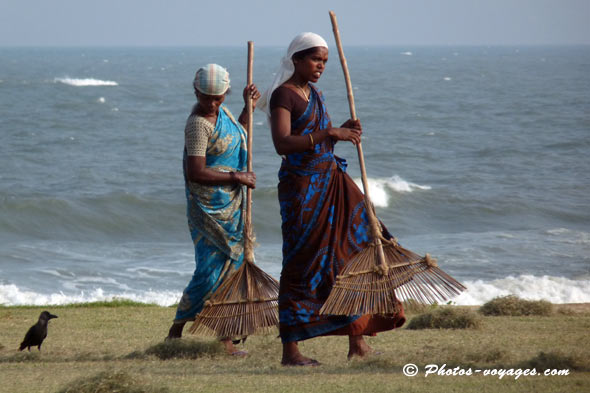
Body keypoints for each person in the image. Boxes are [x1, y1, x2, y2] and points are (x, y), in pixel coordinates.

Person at [259, 33, 406, 366]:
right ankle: (291, 351)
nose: (320, 66)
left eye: (324, 61)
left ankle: (358, 341)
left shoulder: (315, 94)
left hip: (332, 184)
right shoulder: (285, 95)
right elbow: (283, 143)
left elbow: (318, 143)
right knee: (301, 263)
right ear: (296, 59)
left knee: (352, 252)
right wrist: (329, 133)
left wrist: (341, 131)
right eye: (314, 60)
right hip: (302, 193)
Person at [166, 64, 260, 356]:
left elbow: (237, 137)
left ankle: (225, 337)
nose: (211, 103)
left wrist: (248, 107)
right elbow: (196, 172)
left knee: (231, 270)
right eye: (206, 97)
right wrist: (237, 177)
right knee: (208, 274)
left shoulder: (224, 114)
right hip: (208, 209)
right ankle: (177, 327)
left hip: (230, 205)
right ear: (196, 92)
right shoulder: (198, 124)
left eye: (218, 97)